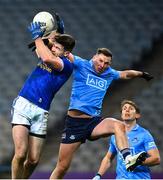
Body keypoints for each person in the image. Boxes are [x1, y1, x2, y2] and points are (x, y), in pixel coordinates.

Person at [49, 46, 154, 179]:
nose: (103, 65)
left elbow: (126, 74)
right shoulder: (81, 63)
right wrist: (48, 43)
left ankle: (128, 159)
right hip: (75, 124)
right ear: (94, 57)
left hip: (94, 122)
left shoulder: (109, 73)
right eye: (100, 61)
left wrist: (142, 74)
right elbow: (63, 53)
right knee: (62, 167)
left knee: (119, 125)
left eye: (106, 63)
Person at [11, 15, 75, 179]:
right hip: (23, 104)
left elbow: (47, 56)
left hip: (41, 112)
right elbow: (48, 47)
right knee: (20, 153)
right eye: (53, 46)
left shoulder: (66, 65)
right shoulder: (53, 51)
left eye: (57, 48)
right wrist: (58, 33)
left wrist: (37, 36)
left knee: (33, 160)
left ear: (66, 53)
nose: (53, 49)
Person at [93, 100, 161, 179]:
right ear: (122, 114)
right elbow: (108, 158)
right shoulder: (115, 135)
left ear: (137, 115)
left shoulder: (144, 134)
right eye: (124, 108)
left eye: (131, 108)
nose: (127, 110)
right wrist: (98, 175)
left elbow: (156, 159)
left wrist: (137, 162)